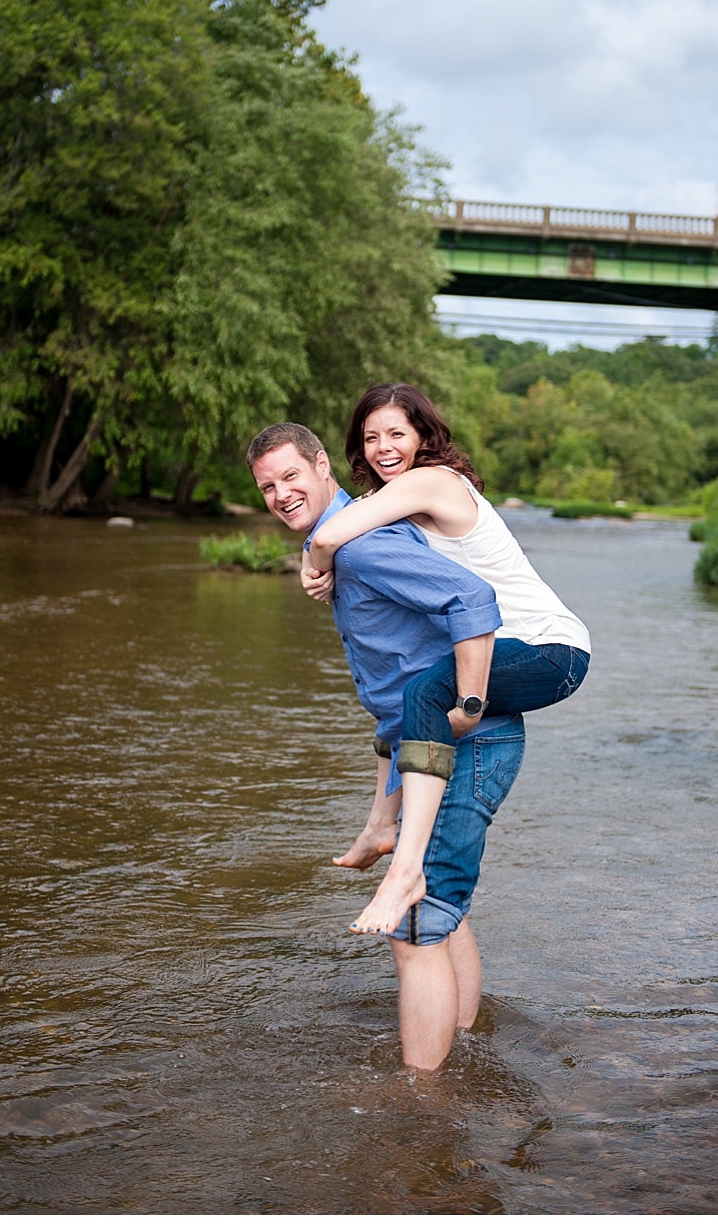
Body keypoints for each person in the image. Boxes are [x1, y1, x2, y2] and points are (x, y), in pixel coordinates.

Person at [247, 420, 516, 1070]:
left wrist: (467, 711)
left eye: (291, 476)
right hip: (424, 743)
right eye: (266, 486)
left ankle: (423, 1105)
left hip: (462, 737)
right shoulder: (342, 545)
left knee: (412, 926)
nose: (281, 493)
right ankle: (467, 1051)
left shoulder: (360, 546)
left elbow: (473, 598)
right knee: (437, 906)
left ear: (322, 469)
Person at [301, 382, 590, 941]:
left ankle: (406, 871)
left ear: (422, 436)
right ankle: (383, 829)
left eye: (396, 434)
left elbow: (332, 531)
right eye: (371, 438)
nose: (384, 447)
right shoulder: (397, 501)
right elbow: (348, 523)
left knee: (425, 695)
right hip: (523, 650)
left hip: (552, 650)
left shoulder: (430, 481)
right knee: (408, 691)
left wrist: (314, 560)